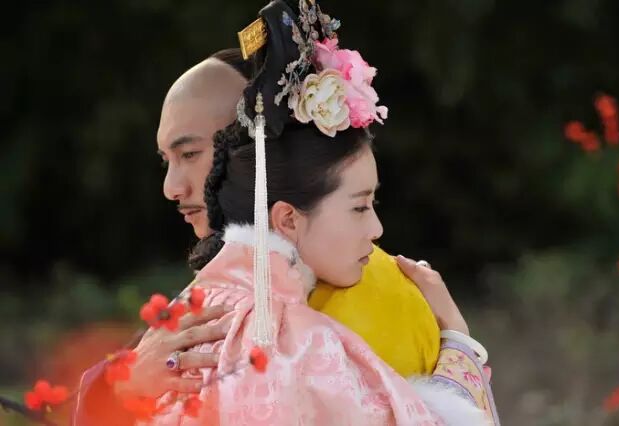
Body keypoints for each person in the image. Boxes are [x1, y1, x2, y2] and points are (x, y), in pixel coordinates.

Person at [144, 0, 499, 424]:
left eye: (191, 154)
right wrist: (459, 346)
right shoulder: (295, 328)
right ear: (286, 218)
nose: (171, 188)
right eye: (359, 206)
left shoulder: (204, 304)